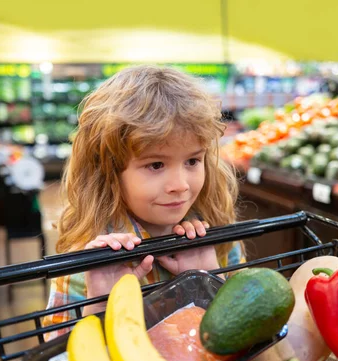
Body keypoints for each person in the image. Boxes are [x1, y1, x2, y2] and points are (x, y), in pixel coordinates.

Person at [42, 65, 245, 340]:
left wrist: (207, 281)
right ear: (110, 171)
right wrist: (99, 305)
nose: (181, 185)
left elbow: (249, 337)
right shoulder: (88, 267)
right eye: (156, 164)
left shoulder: (219, 241)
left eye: (192, 161)